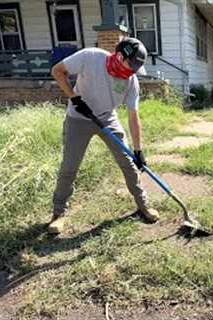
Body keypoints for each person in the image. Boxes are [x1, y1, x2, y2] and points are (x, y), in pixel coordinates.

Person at [48, 37, 159, 234]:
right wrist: (74, 98)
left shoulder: (131, 81)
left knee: (129, 163)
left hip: (107, 119)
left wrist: (138, 150)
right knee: (69, 167)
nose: (131, 72)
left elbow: (134, 117)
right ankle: (58, 214)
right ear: (118, 56)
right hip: (78, 118)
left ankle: (143, 205)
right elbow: (57, 71)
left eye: (135, 69)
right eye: (130, 66)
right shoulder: (90, 57)